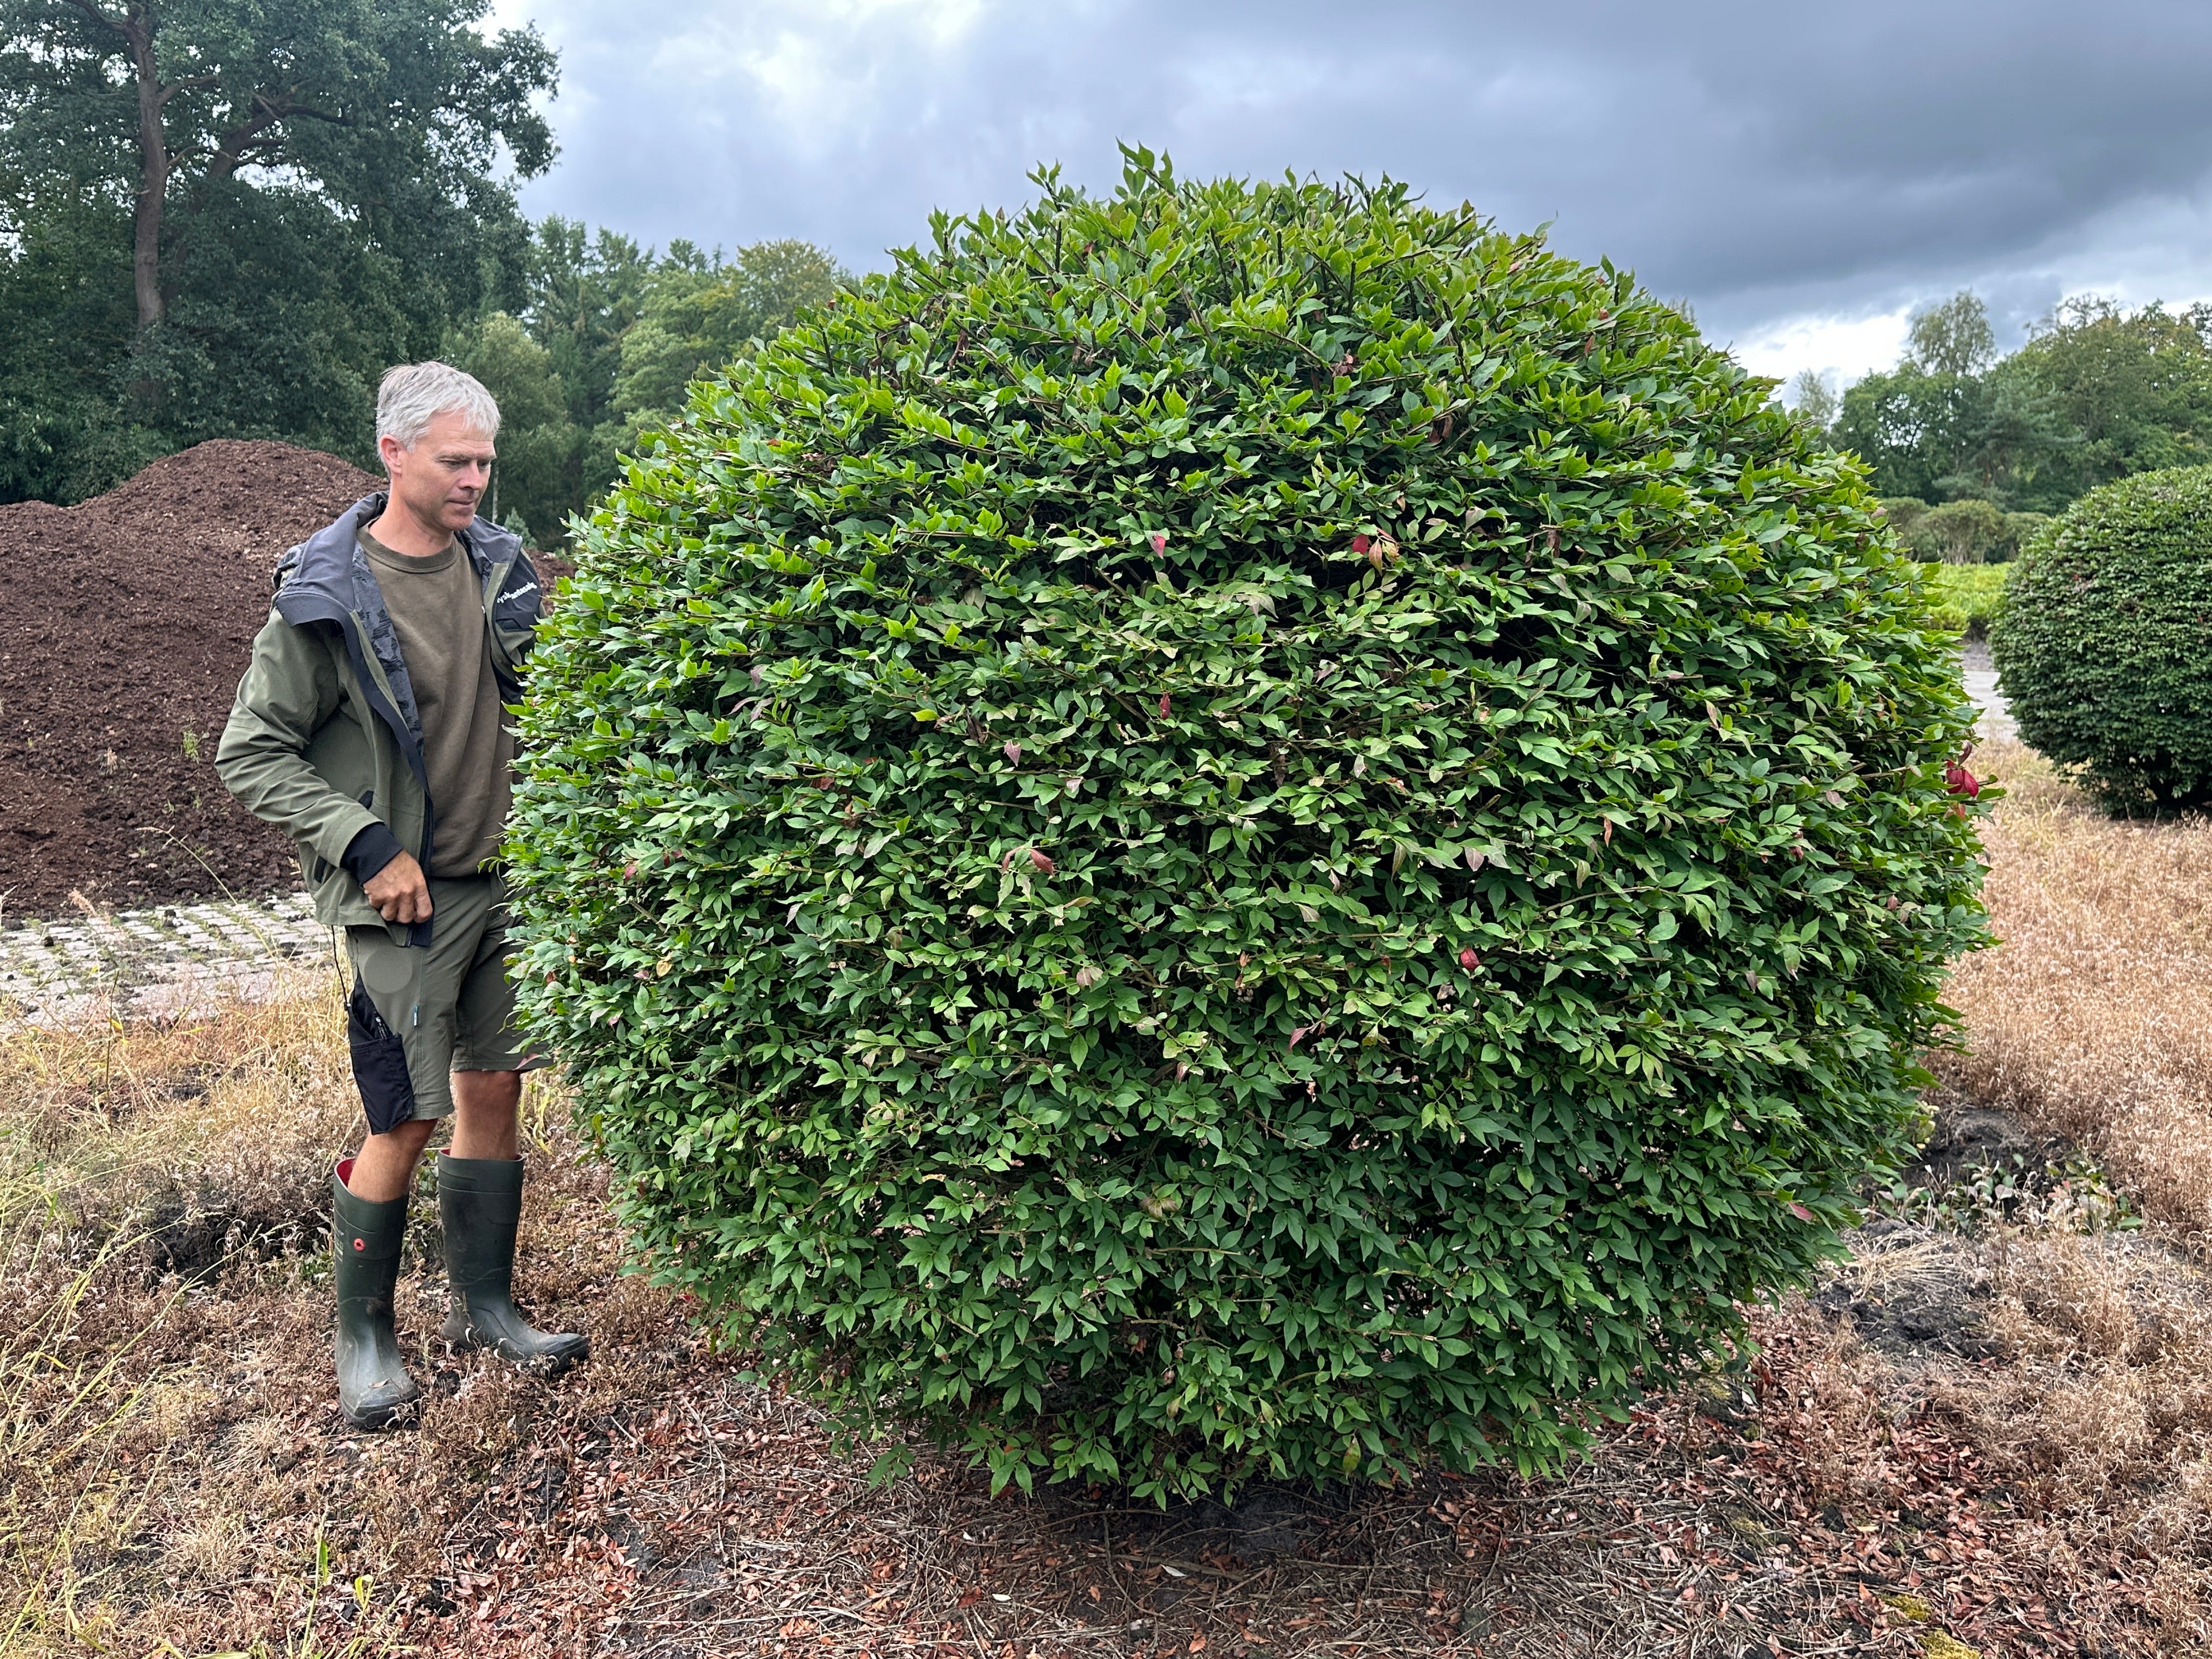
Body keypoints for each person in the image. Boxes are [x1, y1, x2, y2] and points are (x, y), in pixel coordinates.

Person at [216, 361, 584, 1429]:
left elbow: (552, 700)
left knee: (495, 1089)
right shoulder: (323, 599)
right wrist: (367, 841)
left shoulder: (502, 568)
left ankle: (486, 1308)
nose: (476, 479)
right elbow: (252, 754)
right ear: (394, 455)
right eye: (456, 460)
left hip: (506, 877)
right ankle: (364, 1340)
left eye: (485, 461)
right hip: (404, 904)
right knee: (405, 1114)